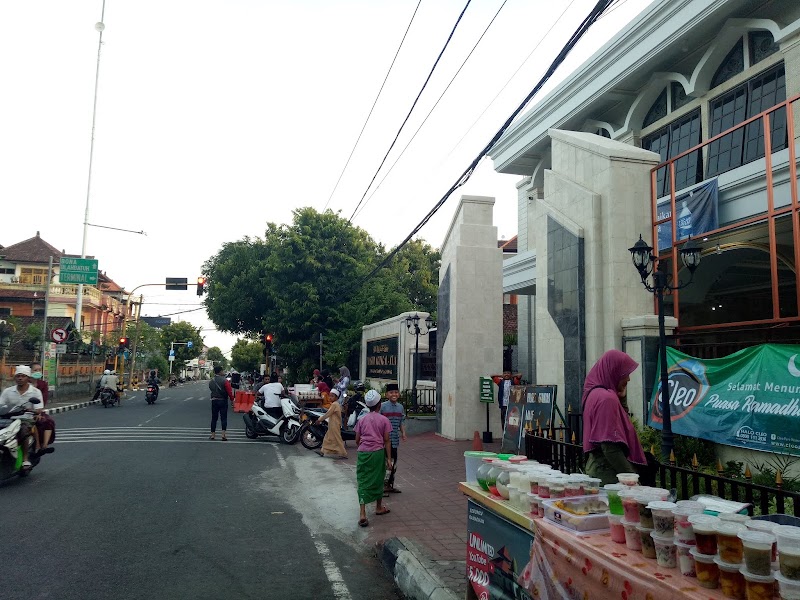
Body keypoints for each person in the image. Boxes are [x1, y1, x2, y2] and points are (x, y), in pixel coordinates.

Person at [581, 349, 647, 485]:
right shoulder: (606, 399)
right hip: (610, 475)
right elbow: (610, 447)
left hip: (597, 470)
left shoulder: (594, 393)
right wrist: (632, 480)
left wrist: (622, 398)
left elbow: (621, 421)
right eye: (625, 374)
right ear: (614, 371)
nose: (628, 378)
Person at [355, 389, 393, 527]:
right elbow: (387, 440)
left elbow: (357, 440)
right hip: (378, 453)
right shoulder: (384, 420)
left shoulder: (362, 419)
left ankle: (363, 513)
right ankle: (378, 507)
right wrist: (389, 459)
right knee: (378, 479)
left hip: (363, 453)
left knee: (363, 480)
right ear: (379, 404)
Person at [0, 365, 43, 468]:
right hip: (8, 419)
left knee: (23, 430)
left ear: (28, 378)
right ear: (15, 378)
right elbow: (1, 405)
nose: (20, 378)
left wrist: (30, 410)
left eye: (23, 376)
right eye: (18, 376)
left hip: (25, 419)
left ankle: (25, 459)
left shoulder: (35, 392)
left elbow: (38, 409)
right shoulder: (8, 391)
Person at [380, 383, 407, 494]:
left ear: (399, 394)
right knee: (387, 463)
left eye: (396, 392)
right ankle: (383, 486)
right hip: (384, 440)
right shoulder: (382, 406)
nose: (394, 394)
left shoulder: (400, 407)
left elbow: (401, 423)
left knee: (394, 463)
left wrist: (403, 433)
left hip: (395, 440)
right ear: (387, 394)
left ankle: (390, 485)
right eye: (391, 392)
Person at [30, 363, 55, 456]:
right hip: (23, 411)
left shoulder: (43, 384)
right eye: (35, 370)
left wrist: (38, 412)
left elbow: (43, 400)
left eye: (39, 370)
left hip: (37, 411)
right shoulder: (24, 383)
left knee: (48, 421)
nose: (37, 372)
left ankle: (44, 446)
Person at [315, 395, 348, 459]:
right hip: (333, 424)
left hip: (334, 425)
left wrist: (319, 419)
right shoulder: (336, 404)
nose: (330, 397)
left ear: (336, 397)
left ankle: (344, 453)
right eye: (330, 396)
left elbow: (328, 414)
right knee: (327, 438)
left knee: (337, 439)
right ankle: (323, 451)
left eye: (332, 396)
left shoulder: (334, 404)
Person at [209, 365, 234, 440]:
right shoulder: (225, 381)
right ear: (220, 372)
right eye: (222, 371)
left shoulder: (211, 381)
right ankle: (223, 435)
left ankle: (213, 434)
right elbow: (229, 391)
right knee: (223, 418)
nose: (223, 372)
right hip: (223, 400)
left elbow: (211, 389)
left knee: (214, 418)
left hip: (214, 400)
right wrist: (232, 399)